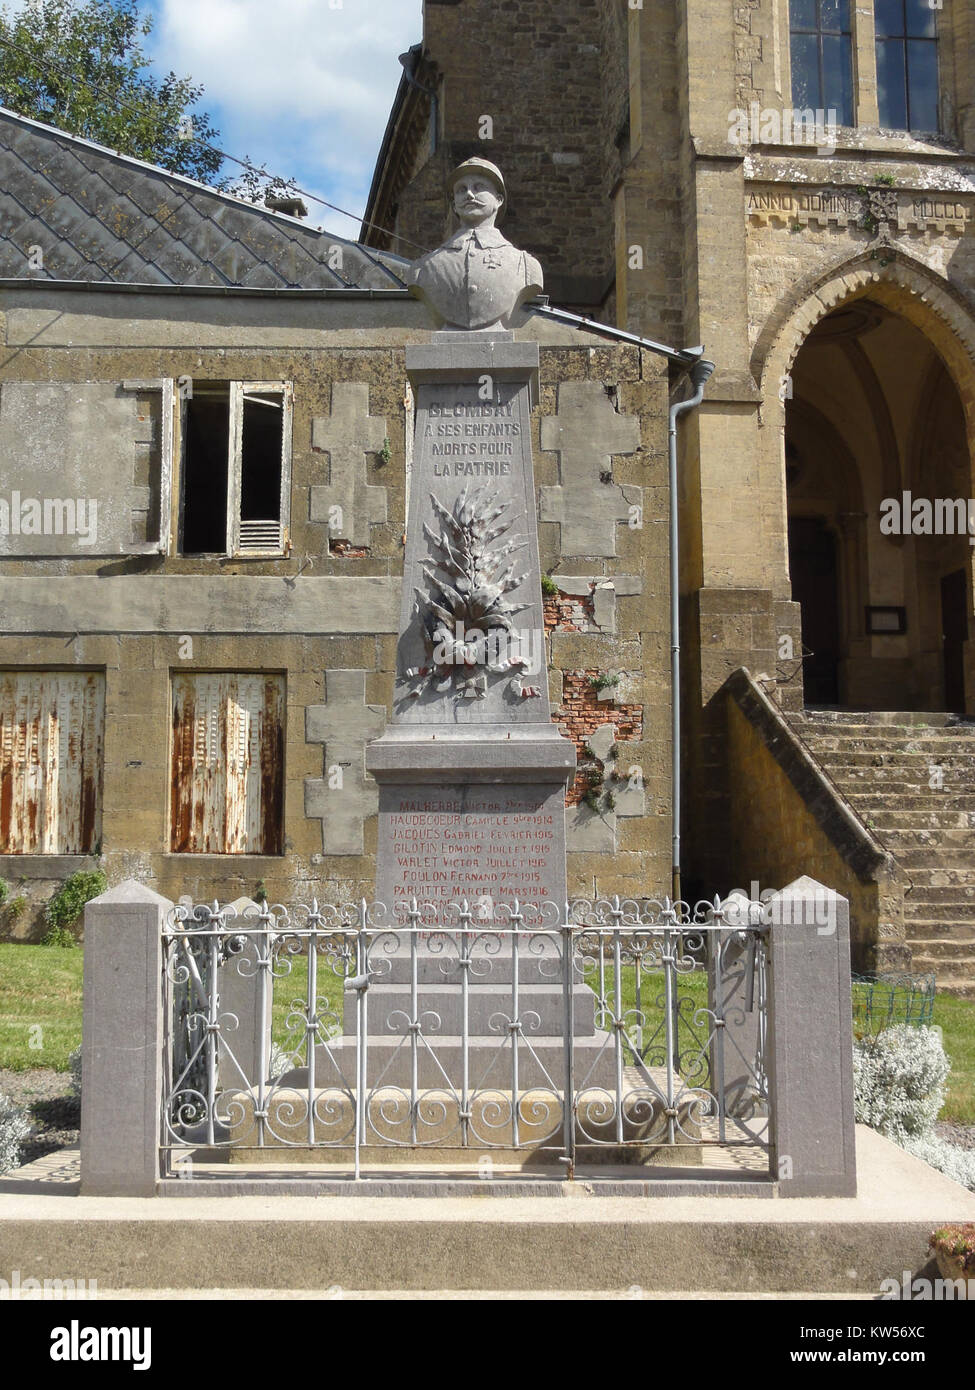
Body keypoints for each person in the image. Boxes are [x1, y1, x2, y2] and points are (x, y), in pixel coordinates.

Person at [408, 158, 543, 331]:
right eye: (461, 189)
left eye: (478, 187)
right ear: (454, 205)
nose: (469, 195)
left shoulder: (526, 266)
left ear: (498, 200)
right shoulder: (423, 268)